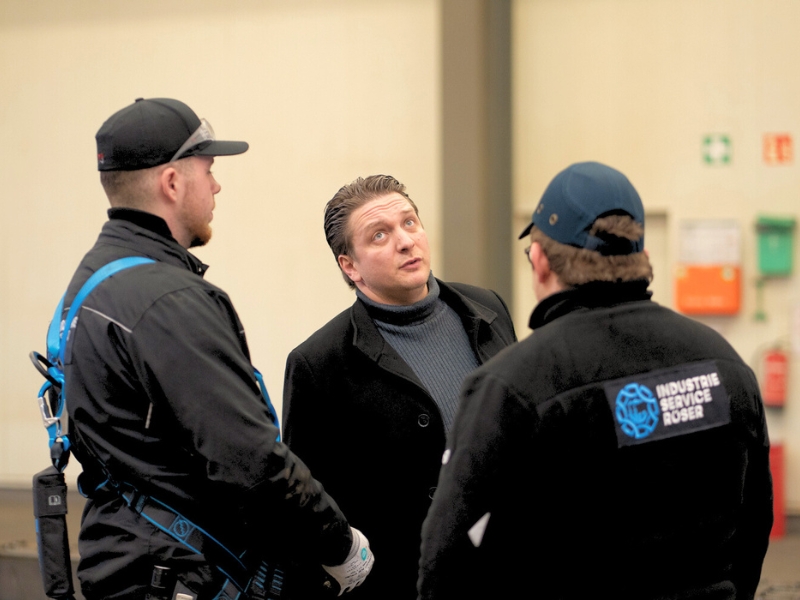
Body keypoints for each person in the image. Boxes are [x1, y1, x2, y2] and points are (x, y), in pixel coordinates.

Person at [59, 98, 373, 600]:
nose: (216, 185)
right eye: (208, 170)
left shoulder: (91, 284)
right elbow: (248, 459)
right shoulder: (169, 301)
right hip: (179, 574)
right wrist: (340, 545)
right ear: (172, 183)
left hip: (125, 561)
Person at [417, 161, 774, 600]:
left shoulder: (512, 385)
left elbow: (445, 558)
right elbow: (756, 521)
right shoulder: (726, 365)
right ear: (640, 258)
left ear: (540, 261)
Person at [282, 175, 517, 600]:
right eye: (379, 234)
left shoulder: (489, 309)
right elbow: (307, 510)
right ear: (350, 266)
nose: (406, 241)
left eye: (409, 222)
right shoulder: (318, 364)